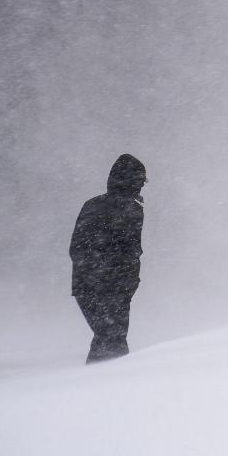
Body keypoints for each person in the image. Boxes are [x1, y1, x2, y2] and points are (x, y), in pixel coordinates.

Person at [69, 154, 146, 364]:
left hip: (85, 287)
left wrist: (91, 272)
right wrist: (126, 282)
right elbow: (131, 251)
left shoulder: (91, 205)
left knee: (107, 339)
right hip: (113, 288)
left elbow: (76, 248)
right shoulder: (132, 209)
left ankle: (101, 384)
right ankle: (103, 386)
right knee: (113, 340)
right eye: (141, 181)